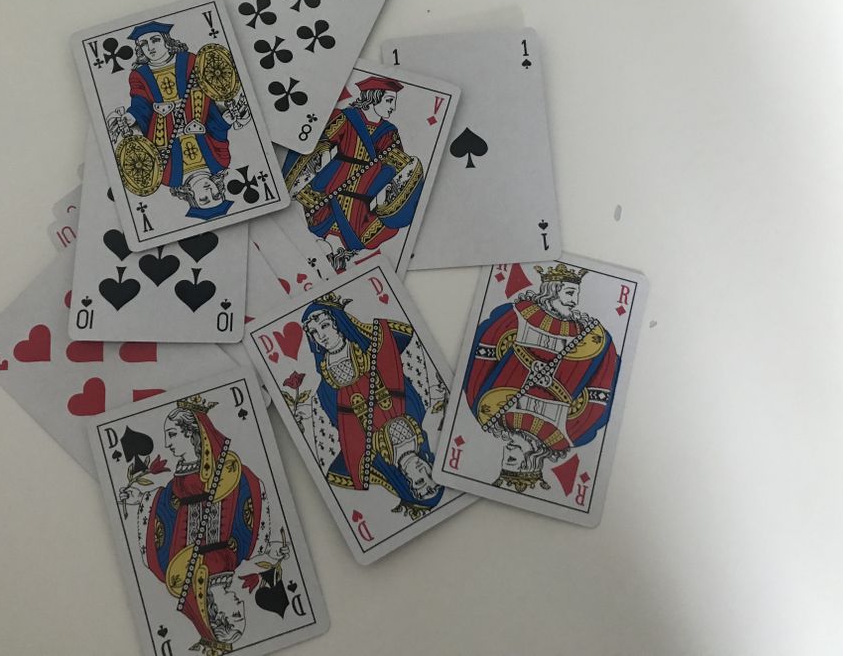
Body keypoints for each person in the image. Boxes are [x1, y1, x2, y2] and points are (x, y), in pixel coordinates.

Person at [119, 396, 289, 655]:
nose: (168, 444)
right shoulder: (238, 556)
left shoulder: (172, 569)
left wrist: (142, 498)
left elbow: (163, 520)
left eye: (172, 434)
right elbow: (249, 527)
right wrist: (273, 550)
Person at [462, 263, 621, 493]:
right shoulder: (570, 434)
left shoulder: (491, 415)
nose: (574, 301)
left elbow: (480, 363)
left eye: (575, 294)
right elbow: (599, 396)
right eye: (570, 293)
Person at [296, 292, 445, 518]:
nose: (322, 336)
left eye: (420, 482)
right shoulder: (326, 387)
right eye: (315, 332)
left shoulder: (370, 460)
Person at [281, 76, 424, 271]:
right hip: (331, 192)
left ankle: (335, 250)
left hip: (365, 201)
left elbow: (398, 166)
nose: (393, 107)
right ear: (373, 97)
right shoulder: (345, 119)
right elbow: (319, 142)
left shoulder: (390, 132)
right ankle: (330, 248)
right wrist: (323, 153)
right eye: (389, 100)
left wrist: (384, 185)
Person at [107, 22, 249, 215]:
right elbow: (218, 133)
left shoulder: (167, 178)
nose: (209, 192)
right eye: (217, 195)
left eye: (204, 199)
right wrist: (227, 119)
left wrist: (130, 121)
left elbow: (147, 150)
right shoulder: (221, 162)